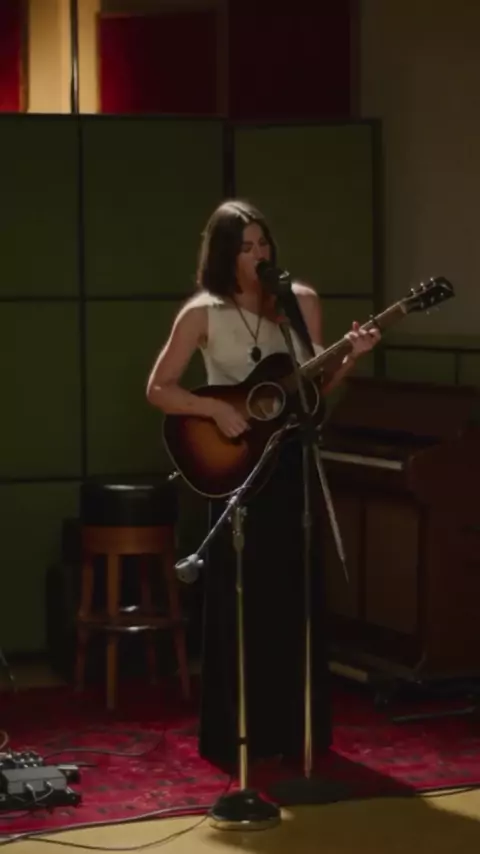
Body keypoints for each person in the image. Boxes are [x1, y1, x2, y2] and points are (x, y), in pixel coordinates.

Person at [146, 199, 380, 771]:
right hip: (236, 465)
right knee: (241, 596)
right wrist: (213, 409)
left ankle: (294, 730)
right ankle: (237, 733)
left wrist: (351, 356)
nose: (257, 255)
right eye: (245, 247)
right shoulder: (202, 312)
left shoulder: (299, 302)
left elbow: (314, 390)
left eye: (263, 244)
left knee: (293, 593)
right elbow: (159, 388)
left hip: (291, 460)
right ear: (224, 254)